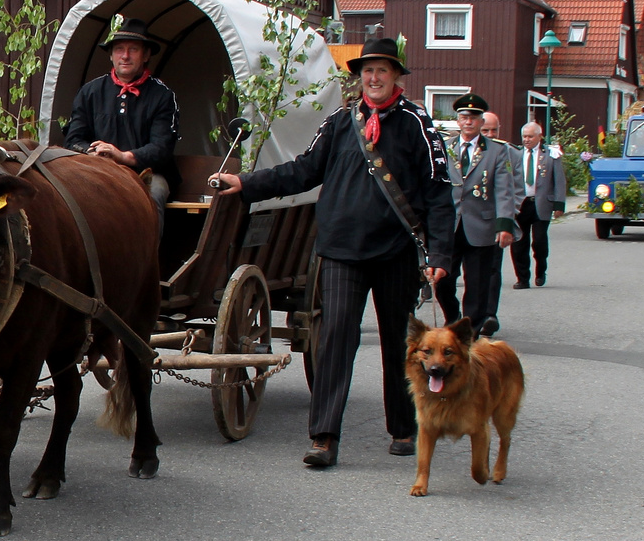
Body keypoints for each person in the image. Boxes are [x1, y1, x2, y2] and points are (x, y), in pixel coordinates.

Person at [211, 37, 454, 468]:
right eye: (367, 71)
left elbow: (438, 194)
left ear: (396, 75)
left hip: (396, 250)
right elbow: (303, 171)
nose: (374, 78)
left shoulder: (418, 123)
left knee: (400, 340)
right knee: (337, 339)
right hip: (341, 250)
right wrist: (247, 183)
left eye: (382, 70)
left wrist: (439, 256)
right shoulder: (341, 121)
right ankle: (323, 437)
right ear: (360, 78)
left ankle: (402, 428)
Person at [64, 17, 180, 233]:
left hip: (146, 173)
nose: (125, 56)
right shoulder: (90, 92)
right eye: (119, 49)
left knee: (153, 194)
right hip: (96, 170)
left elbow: (161, 148)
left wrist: (122, 156)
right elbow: (73, 140)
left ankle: (148, 259)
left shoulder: (162, 96)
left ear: (145, 55)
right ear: (111, 55)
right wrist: (92, 154)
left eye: (133, 49)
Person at [437, 93, 515, 338]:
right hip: (449, 224)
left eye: (473, 118)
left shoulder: (497, 151)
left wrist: (505, 225)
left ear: (482, 122)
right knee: (443, 280)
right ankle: (452, 316)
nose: (468, 122)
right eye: (463, 117)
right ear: (457, 121)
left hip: (481, 225)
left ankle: (470, 330)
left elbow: (504, 190)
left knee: (478, 283)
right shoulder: (444, 147)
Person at [510, 121, 566, 289]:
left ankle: (540, 270)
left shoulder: (550, 154)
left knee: (539, 241)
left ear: (539, 137)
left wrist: (559, 204)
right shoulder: (516, 154)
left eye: (530, 136)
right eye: (524, 137)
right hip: (521, 204)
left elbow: (559, 180)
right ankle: (522, 278)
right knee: (519, 243)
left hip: (541, 203)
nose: (526, 140)